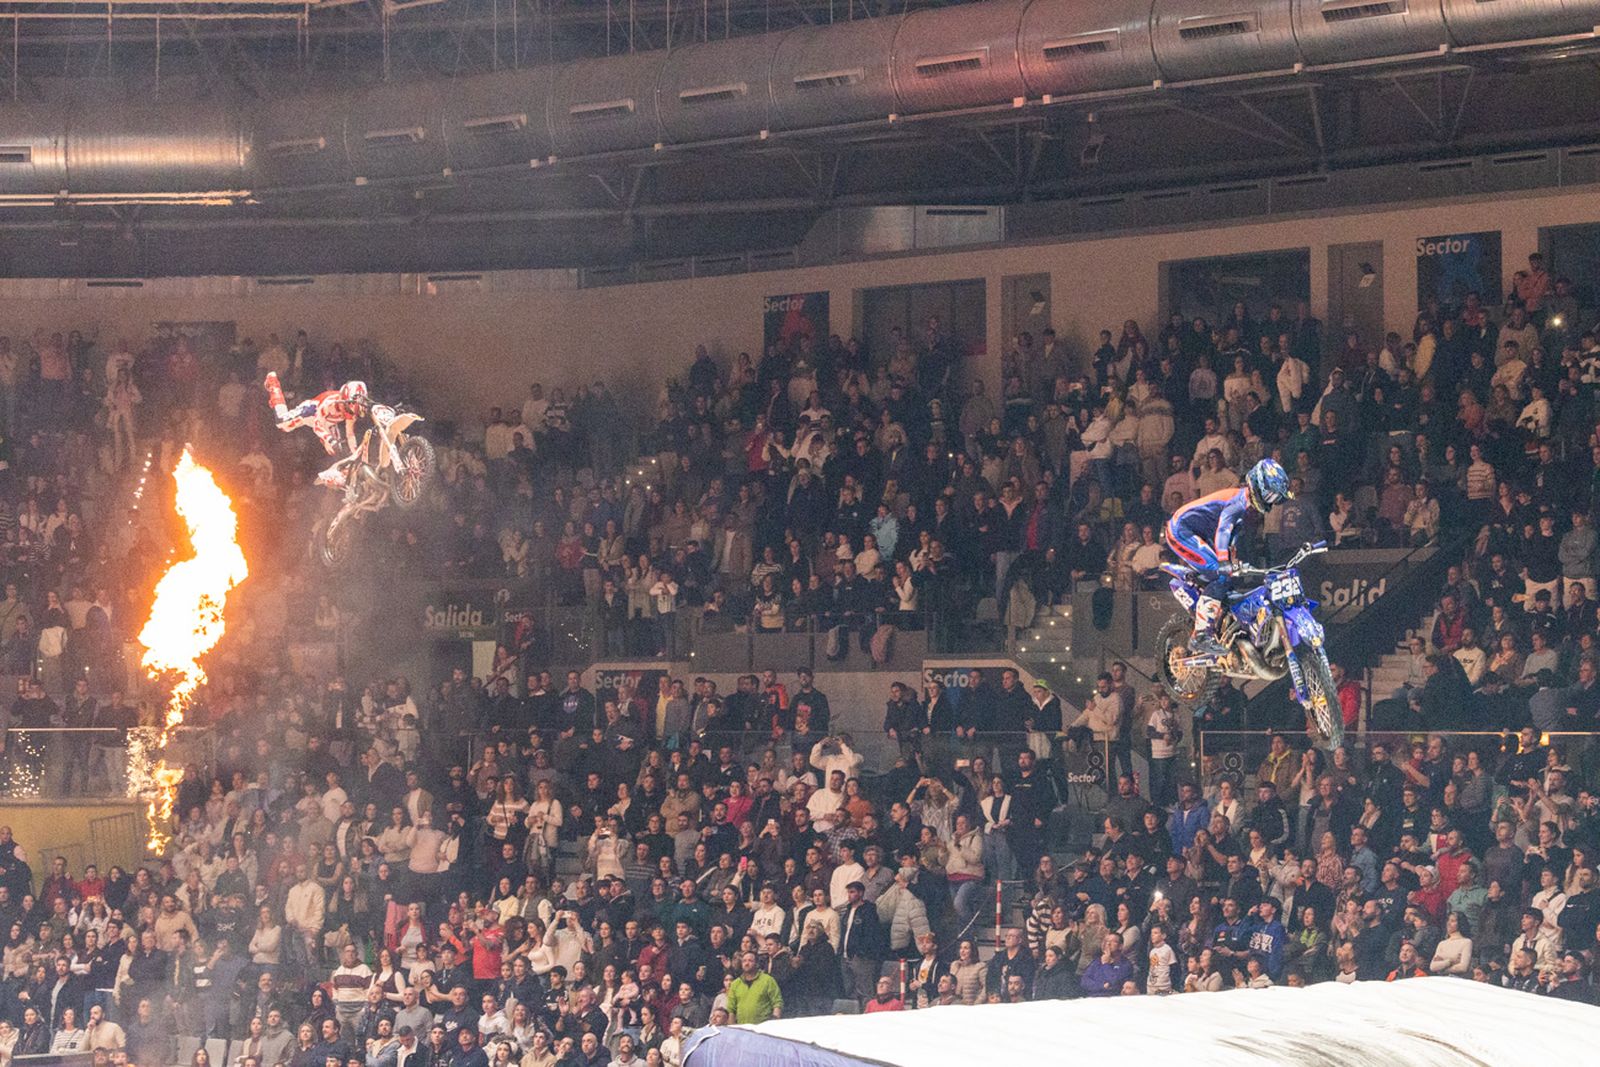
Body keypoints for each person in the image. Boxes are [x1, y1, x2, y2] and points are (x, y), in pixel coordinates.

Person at [1164, 458, 1293, 655]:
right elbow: (1223, 529)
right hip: (1181, 530)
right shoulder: (1238, 503)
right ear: (1259, 486)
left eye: (1275, 498)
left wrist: (1232, 560)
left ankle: (1215, 616)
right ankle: (1201, 635)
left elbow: (1231, 535)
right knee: (1220, 574)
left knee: (1229, 577)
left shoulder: (1246, 504)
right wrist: (1224, 561)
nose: (1272, 501)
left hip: (1199, 532)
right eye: (1271, 495)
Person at [265, 373, 376, 490]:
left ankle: (345, 475)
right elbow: (317, 425)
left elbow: (350, 433)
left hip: (329, 423)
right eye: (350, 405)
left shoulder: (351, 410)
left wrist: (354, 454)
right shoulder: (330, 403)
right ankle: (274, 386)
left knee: (336, 450)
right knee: (282, 423)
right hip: (312, 413)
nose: (350, 411)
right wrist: (329, 439)